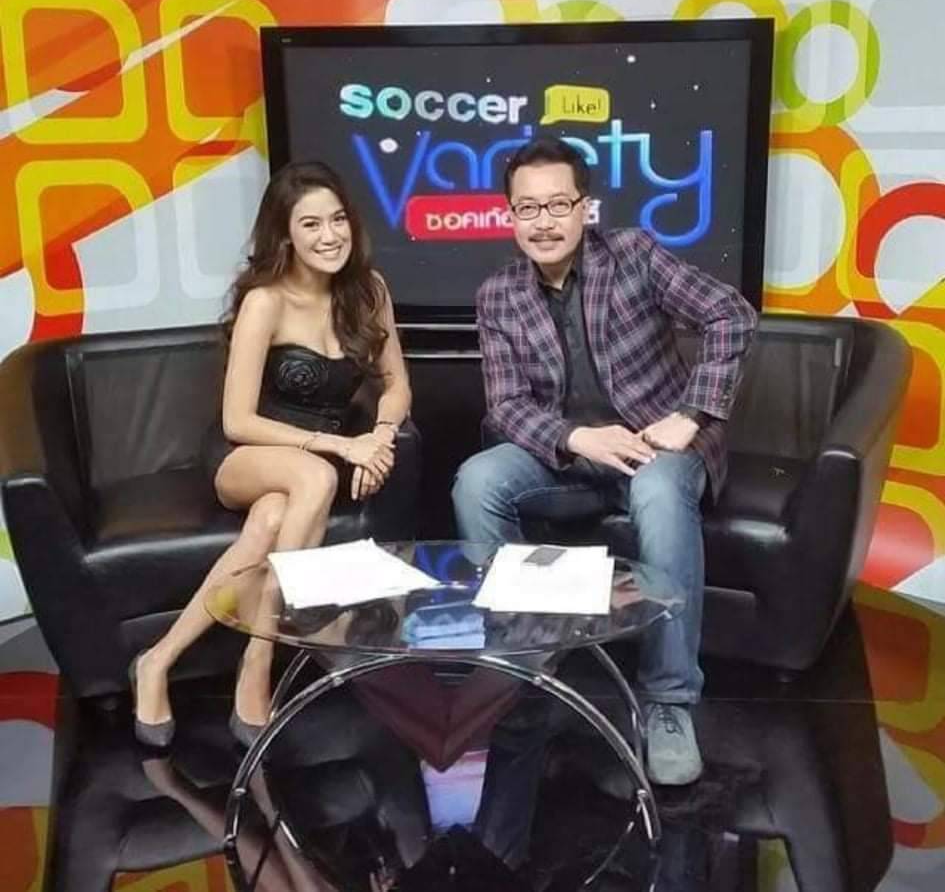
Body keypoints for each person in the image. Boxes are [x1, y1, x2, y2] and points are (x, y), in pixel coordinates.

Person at [451, 137, 757, 786]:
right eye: (527, 208)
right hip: (568, 458)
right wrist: (576, 438)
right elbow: (506, 405)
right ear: (509, 215)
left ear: (583, 208)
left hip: (655, 452)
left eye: (557, 204)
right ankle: (527, 658)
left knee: (657, 493)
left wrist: (691, 415)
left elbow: (730, 315)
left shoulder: (633, 255)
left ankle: (669, 701)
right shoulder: (497, 294)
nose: (543, 222)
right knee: (477, 481)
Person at [130, 161, 412, 748]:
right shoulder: (265, 301)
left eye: (338, 219)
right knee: (313, 478)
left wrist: (381, 437)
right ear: (286, 235)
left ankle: (157, 660)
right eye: (311, 224)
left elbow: (396, 385)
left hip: (317, 458)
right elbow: (238, 419)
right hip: (248, 449)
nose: (330, 235)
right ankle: (260, 657)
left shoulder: (370, 290)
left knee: (269, 522)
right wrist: (345, 445)